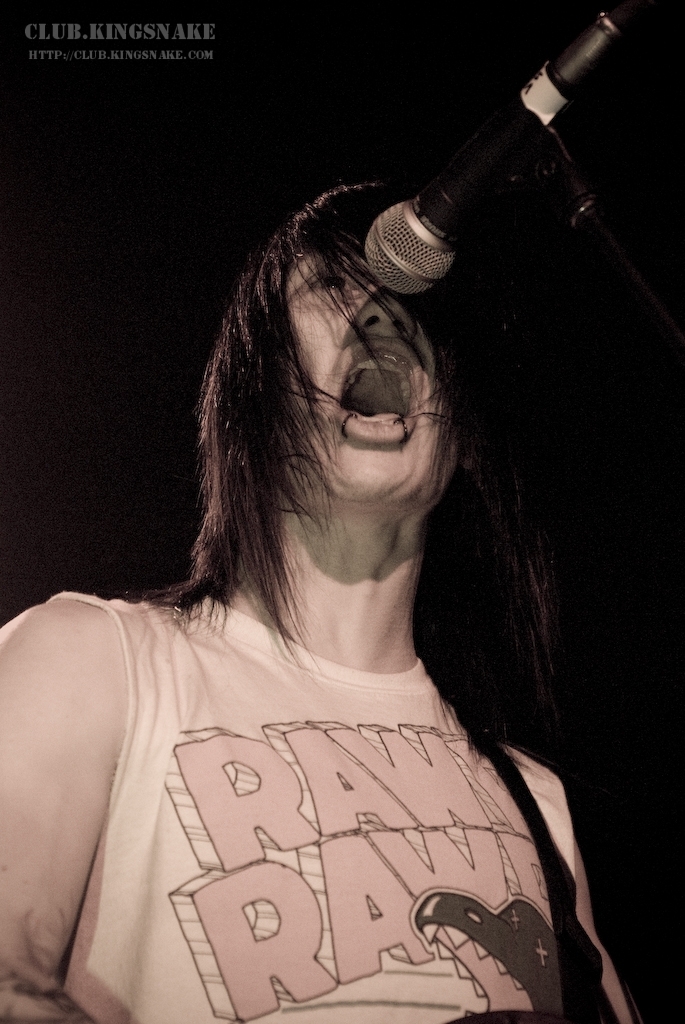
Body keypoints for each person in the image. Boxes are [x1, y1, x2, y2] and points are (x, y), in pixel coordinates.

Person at [0, 187, 639, 1023]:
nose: (381, 312)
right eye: (335, 287)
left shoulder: (534, 800)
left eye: (413, 303)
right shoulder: (91, 660)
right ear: (253, 400)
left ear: (465, 438)